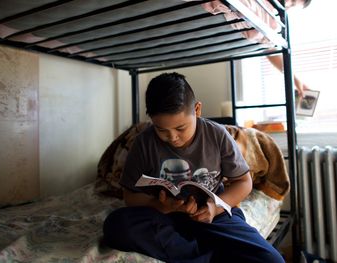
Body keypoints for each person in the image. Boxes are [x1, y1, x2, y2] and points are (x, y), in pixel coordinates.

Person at [102, 72, 285, 263]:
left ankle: (195, 250)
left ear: (197, 110)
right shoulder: (143, 143)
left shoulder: (217, 135)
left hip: (212, 216)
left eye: (180, 128)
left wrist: (214, 207)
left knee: (272, 260)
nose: (172, 137)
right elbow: (130, 196)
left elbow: (243, 182)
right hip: (164, 217)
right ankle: (203, 255)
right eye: (161, 130)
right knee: (116, 225)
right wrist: (158, 205)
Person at [269, 0, 313, 97]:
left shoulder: (268, 16)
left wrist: (294, 79)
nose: (287, 6)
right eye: (292, 1)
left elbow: (269, 50)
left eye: (292, 6)